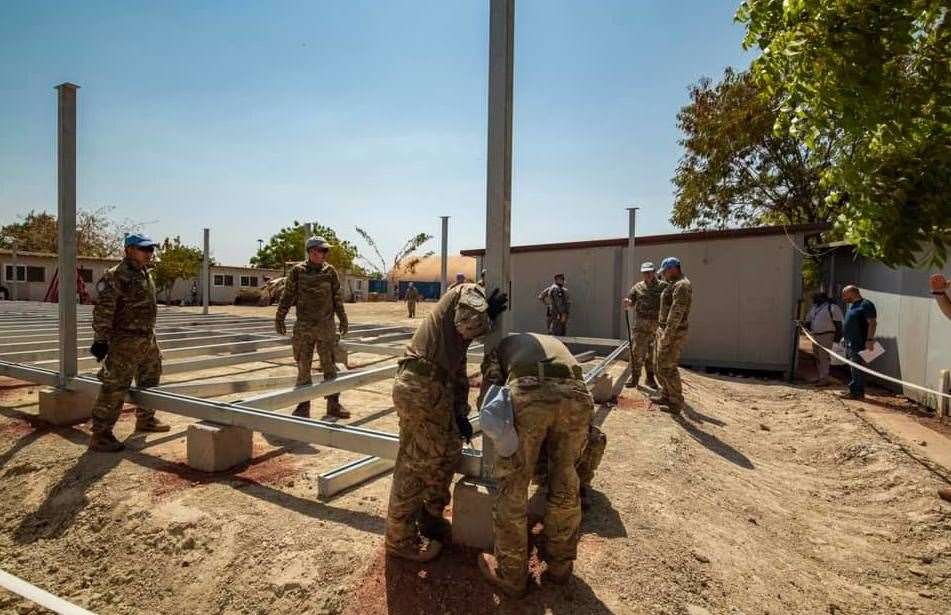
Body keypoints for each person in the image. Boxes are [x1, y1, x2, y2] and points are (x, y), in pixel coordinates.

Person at [385, 282, 508, 562]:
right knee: (416, 463)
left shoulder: (452, 340)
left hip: (434, 387)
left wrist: (460, 413)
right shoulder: (468, 291)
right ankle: (399, 538)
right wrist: (487, 316)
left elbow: (458, 370)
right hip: (421, 385)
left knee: (450, 449)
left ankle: (430, 517)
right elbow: (469, 323)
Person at [476, 333, 593, 597]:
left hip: (530, 391)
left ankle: (511, 576)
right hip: (576, 395)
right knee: (565, 479)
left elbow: (489, 399)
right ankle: (560, 566)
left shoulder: (500, 347)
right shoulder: (551, 344)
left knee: (513, 487)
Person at [87, 233, 170, 452]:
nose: (149, 253)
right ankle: (101, 434)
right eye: (144, 249)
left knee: (151, 376)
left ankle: (146, 419)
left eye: (151, 249)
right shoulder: (116, 276)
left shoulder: (145, 273)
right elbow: (104, 310)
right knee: (115, 385)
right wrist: (100, 340)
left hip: (146, 338)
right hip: (125, 341)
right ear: (129, 250)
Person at [275, 236, 350, 418]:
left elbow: (337, 298)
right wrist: (280, 317)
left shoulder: (330, 272)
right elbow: (287, 296)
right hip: (304, 327)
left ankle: (333, 404)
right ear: (311, 251)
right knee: (304, 367)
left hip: (326, 327)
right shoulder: (297, 272)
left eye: (325, 251)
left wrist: (343, 318)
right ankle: (303, 406)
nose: (324, 254)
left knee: (330, 367)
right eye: (320, 251)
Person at [651, 257, 692, 414]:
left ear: (673, 269)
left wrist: (666, 337)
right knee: (660, 365)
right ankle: (666, 395)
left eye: (665, 272)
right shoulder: (673, 284)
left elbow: (676, 315)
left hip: (674, 333)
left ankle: (675, 403)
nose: (664, 276)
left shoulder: (682, 286)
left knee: (668, 367)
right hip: (665, 330)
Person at [623, 262, 667, 389]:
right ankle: (634, 377)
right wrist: (628, 302)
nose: (647, 275)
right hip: (640, 326)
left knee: (652, 354)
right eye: (644, 272)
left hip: (656, 327)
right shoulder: (637, 287)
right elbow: (631, 302)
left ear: (654, 272)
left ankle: (650, 378)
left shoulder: (663, 286)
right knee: (636, 352)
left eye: (649, 272)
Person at [840, 285, 877, 400]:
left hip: (860, 342)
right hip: (851, 342)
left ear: (852, 293)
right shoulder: (852, 306)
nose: (843, 297)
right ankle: (854, 390)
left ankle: (857, 393)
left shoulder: (866, 304)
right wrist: (844, 337)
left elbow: (872, 323)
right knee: (854, 368)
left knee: (857, 368)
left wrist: (869, 340)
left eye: (844, 294)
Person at [804, 291, 843, 385]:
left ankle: (824, 379)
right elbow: (808, 320)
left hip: (827, 335)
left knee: (824, 357)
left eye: (815, 297)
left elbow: (839, 324)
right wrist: (807, 326)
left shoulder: (832, 307)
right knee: (817, 357)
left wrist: (837, 339)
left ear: (822, 298)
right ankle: (821, 376)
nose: (813, 299)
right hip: (815, 336)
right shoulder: (814, 308)